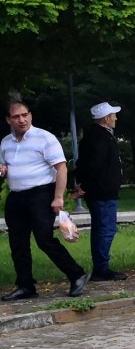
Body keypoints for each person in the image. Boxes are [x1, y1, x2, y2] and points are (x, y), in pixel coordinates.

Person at [1, 101, 89, 300]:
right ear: (9, 120)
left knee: (44, 239)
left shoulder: (44, 138)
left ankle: (77, 274)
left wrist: (58, 197)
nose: (21, 120)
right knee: (18, 243)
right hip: (16, 196)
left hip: (41, 194)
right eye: (16, 117)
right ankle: (25, 286)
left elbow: (61, 168)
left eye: (25, 115)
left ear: (30, 116)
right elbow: (4, 165)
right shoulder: (5, 142)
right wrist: (2, 169)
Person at [75, 101, 127, 280]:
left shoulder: (96, 136)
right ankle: (101, 267)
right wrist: (86, 186)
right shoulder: (100, 138)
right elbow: (94, 166)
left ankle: (101, 265)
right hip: (102, 191)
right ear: (106, 118)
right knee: (106, 228)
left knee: (102, 228)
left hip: (102, 190)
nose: (116, 118)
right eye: (113, 115)